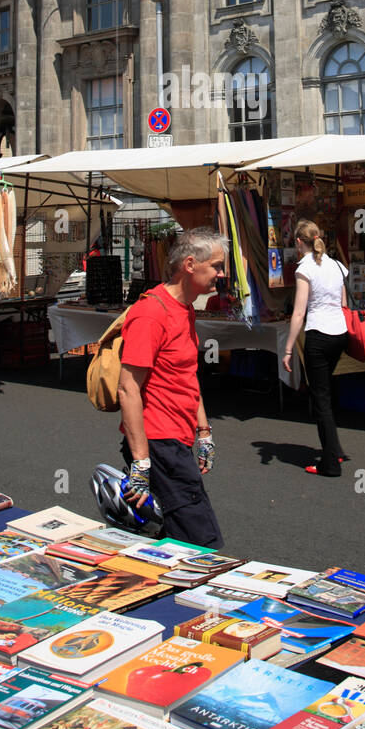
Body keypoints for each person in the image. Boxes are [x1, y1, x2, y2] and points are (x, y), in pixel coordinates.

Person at [118, 228, 227, 547]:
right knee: (201, 540)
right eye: (217, 266)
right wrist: (141, 461)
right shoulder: (152, 312)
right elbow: (128, 388)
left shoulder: (186, 309)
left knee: (175, 535)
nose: (221, 275)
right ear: (190, 264)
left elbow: (187, 374)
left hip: (175, 440)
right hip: (158, 442)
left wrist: (203, 432)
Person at [283, 219, 348, 477]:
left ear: (299, 242)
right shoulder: (337, 266)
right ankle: (336, 449)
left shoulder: (304, 268)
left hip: (318, 334)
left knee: (320, 399)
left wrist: (288, 348)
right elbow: (342, 303)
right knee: (326, 393)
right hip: (339, 333)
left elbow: (299, 313)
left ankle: (330, 463)